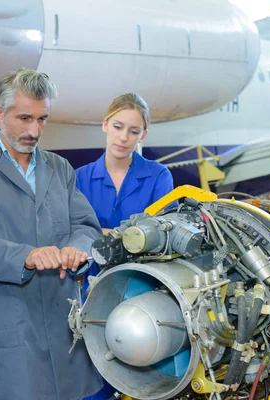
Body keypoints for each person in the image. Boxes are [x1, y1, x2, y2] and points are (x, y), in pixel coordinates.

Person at [0, 68, 103, 400]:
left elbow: (86, 227)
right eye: (24, 118)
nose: (34, 130)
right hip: (11, 325)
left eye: (42, 119)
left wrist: (77, 249)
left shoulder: (59, 168)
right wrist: (24, 256)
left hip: (65, 324)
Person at [75, 93, 177, 400]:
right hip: (93, 289)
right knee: (94, 375)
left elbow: (163, 233)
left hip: (145, 288)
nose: (124, 137)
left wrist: (102, 234)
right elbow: (74, 232)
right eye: (118, 127)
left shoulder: (158, 176)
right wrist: (132, 234)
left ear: (143, 134)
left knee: (149, 375)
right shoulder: (80, 178)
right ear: (105, 125)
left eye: (133, 131)